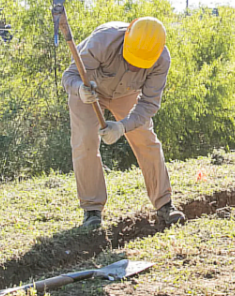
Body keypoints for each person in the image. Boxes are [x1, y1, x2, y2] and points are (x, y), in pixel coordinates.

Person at [61, 16, 185, 228]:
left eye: (141, 63)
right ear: (127, 39)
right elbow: (70, 76)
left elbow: (149, 105)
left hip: (126, 93)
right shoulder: (103, 40)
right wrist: (80, 90)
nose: (135, 67)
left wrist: (122, 127)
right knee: (85, 142)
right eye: (131, 59)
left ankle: (164, 205)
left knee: (146, 139)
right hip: (89, 88)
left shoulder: (161, 60)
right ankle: (92, 210)